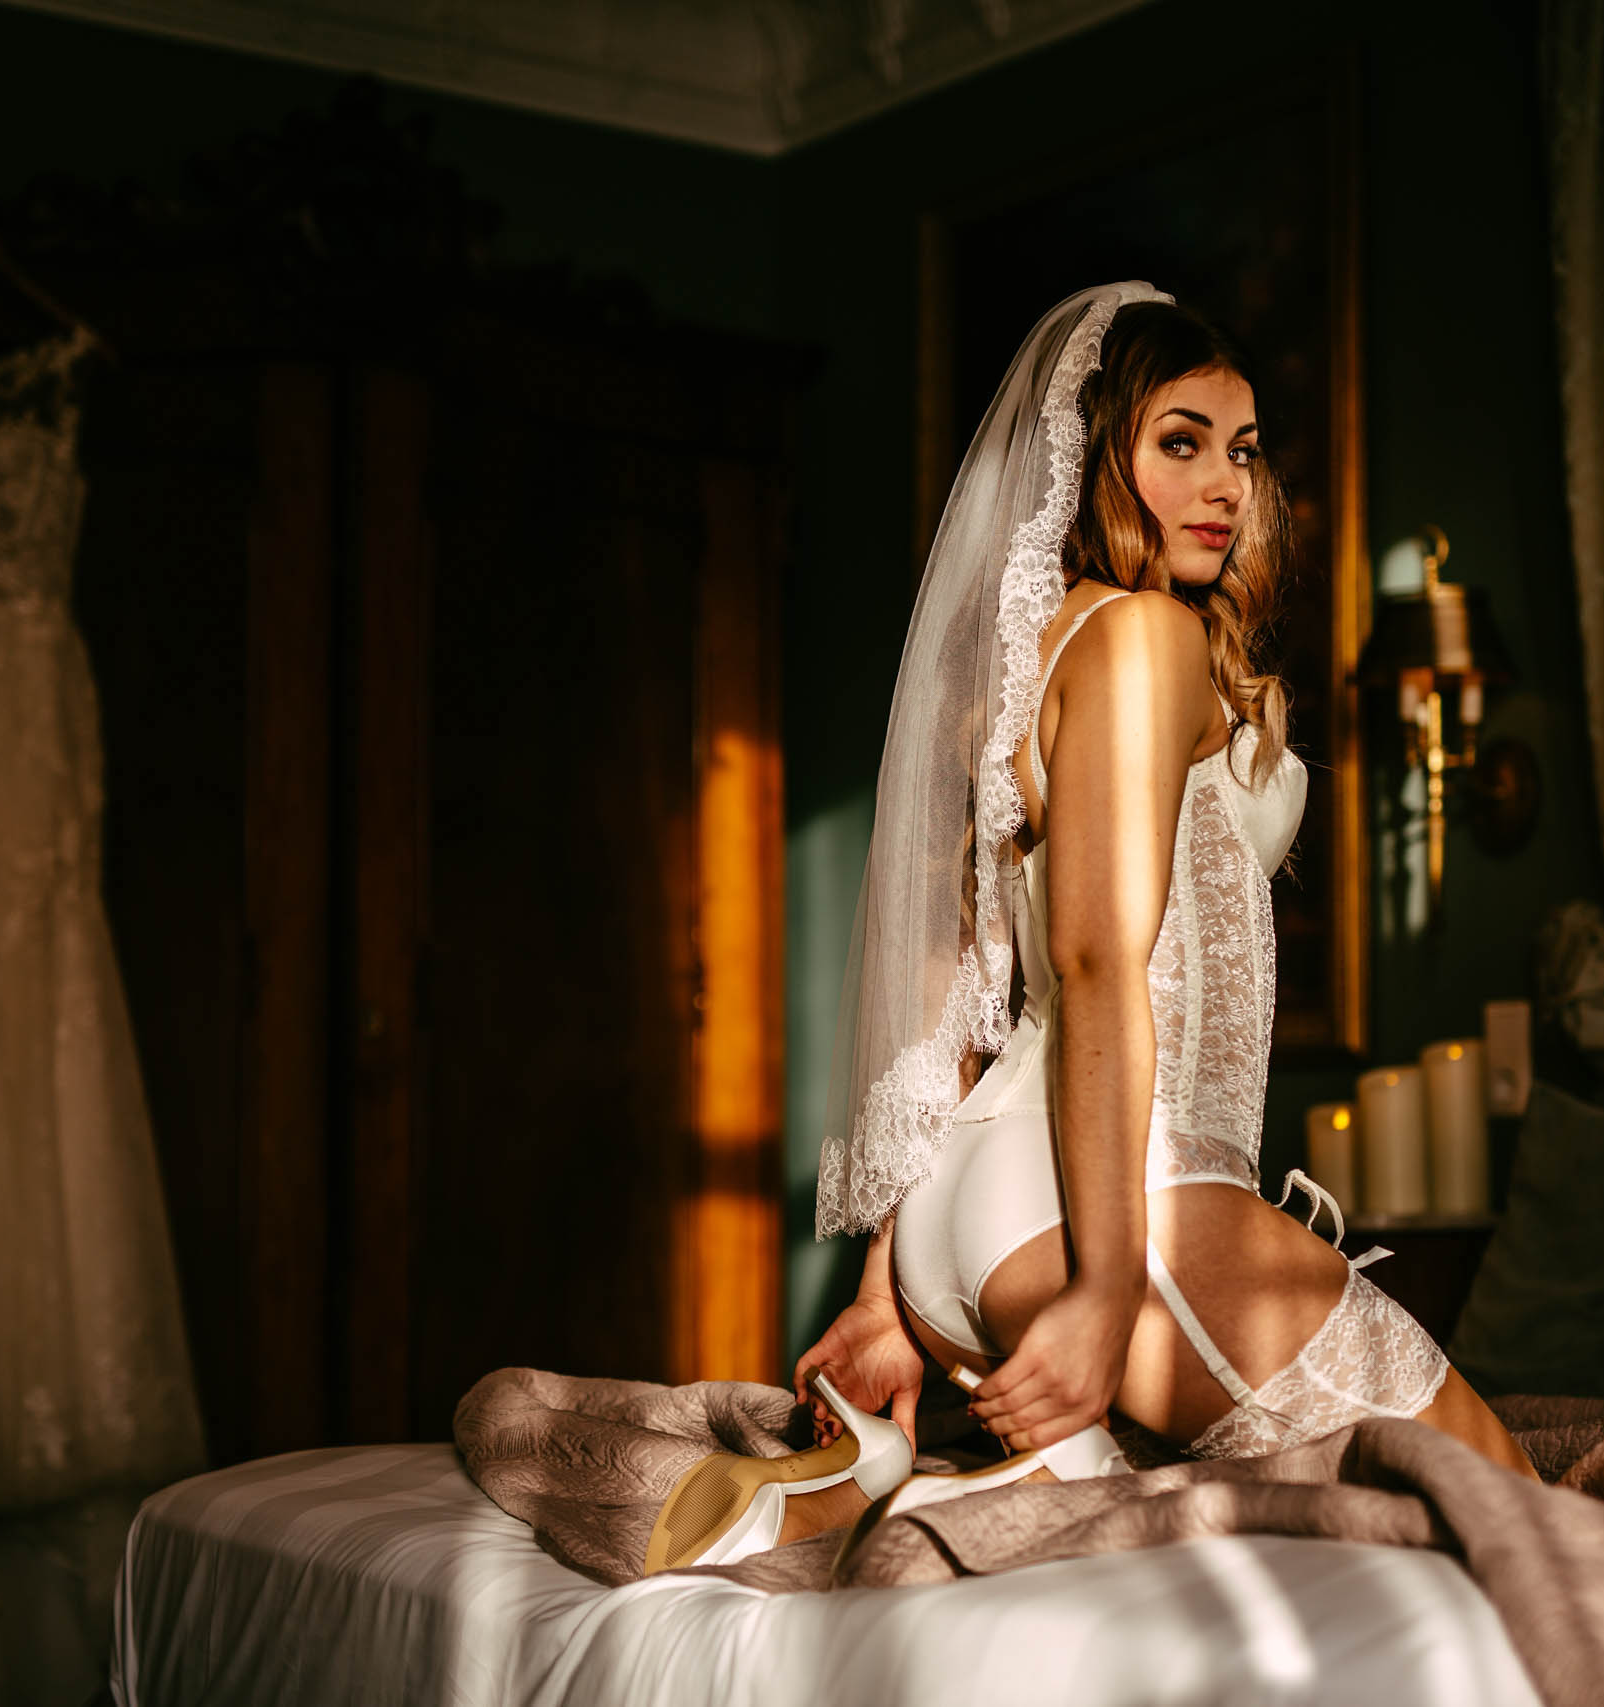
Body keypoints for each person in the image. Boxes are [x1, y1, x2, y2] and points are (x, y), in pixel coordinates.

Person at [651, 283, 1529, 1573]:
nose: (1224, 482)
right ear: (1093, 452)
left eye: (1240, 449)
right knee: (1515, 1507)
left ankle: (971, 1490)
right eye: (1178, 442)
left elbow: (971, 987)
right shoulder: (1143, 637)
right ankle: (977, 1507)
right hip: (1121, 1202)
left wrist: (887, 1291)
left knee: (1344, 1560)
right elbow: (1093, 962)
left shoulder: (1033, 660)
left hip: (987, 1202)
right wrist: (1107, 1289)